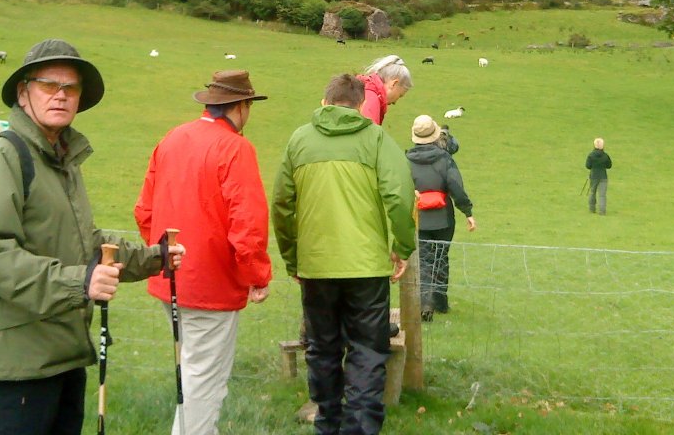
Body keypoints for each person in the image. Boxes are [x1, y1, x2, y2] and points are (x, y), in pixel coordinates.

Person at [0, 39, 184, 435]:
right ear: (23, 92)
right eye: (49, 85)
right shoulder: (4, 156)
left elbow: (87, 243)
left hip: (63, 351)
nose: (61, 96)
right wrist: (79, 282)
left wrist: (154, 258)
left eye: (71, 88)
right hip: (18, 360)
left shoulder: (62, 160)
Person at [272, 73, 416, 435]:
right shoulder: (377, 138)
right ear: (358, 105)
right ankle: (361, 427)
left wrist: (293, 258)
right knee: (368, 351)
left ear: (325, 102)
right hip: (366, 268)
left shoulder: (299, 141)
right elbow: (400, 196)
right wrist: (401, 247)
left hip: (316, 266)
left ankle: (327, 423)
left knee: (322, 349)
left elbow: (282, 206)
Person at [135, 69, 272, 435]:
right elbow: (248, 223)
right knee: (203, 383)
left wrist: (161, 256)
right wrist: (256, 276)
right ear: (240, 106)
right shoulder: (235, 148)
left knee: (190, 374)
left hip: (170, 276)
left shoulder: (173, 137)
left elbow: (144, 211)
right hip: (211, 286)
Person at [406, 114, 475, 322]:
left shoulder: (406, 160)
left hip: (419, 217)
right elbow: (456, 188)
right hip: (443, 218)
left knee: (424, 259)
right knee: (441, 257)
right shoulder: (445, 159)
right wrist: (468, 212)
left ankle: (425, 300)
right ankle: (440, 302)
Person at [357, 55, 413, 125]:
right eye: (400, 95)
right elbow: (368, 135)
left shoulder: (362, 87)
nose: (395, 102)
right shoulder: (372, 100)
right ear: (394, 84)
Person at [586, 137, 613, 215]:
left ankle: (592, 209)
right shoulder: (605, 156)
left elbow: (588, 166)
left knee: (592, 192)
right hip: (603, 177)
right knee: (602, 195)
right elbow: (609, 165)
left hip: (594, 176)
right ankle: (602, 211)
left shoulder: (591, 155)